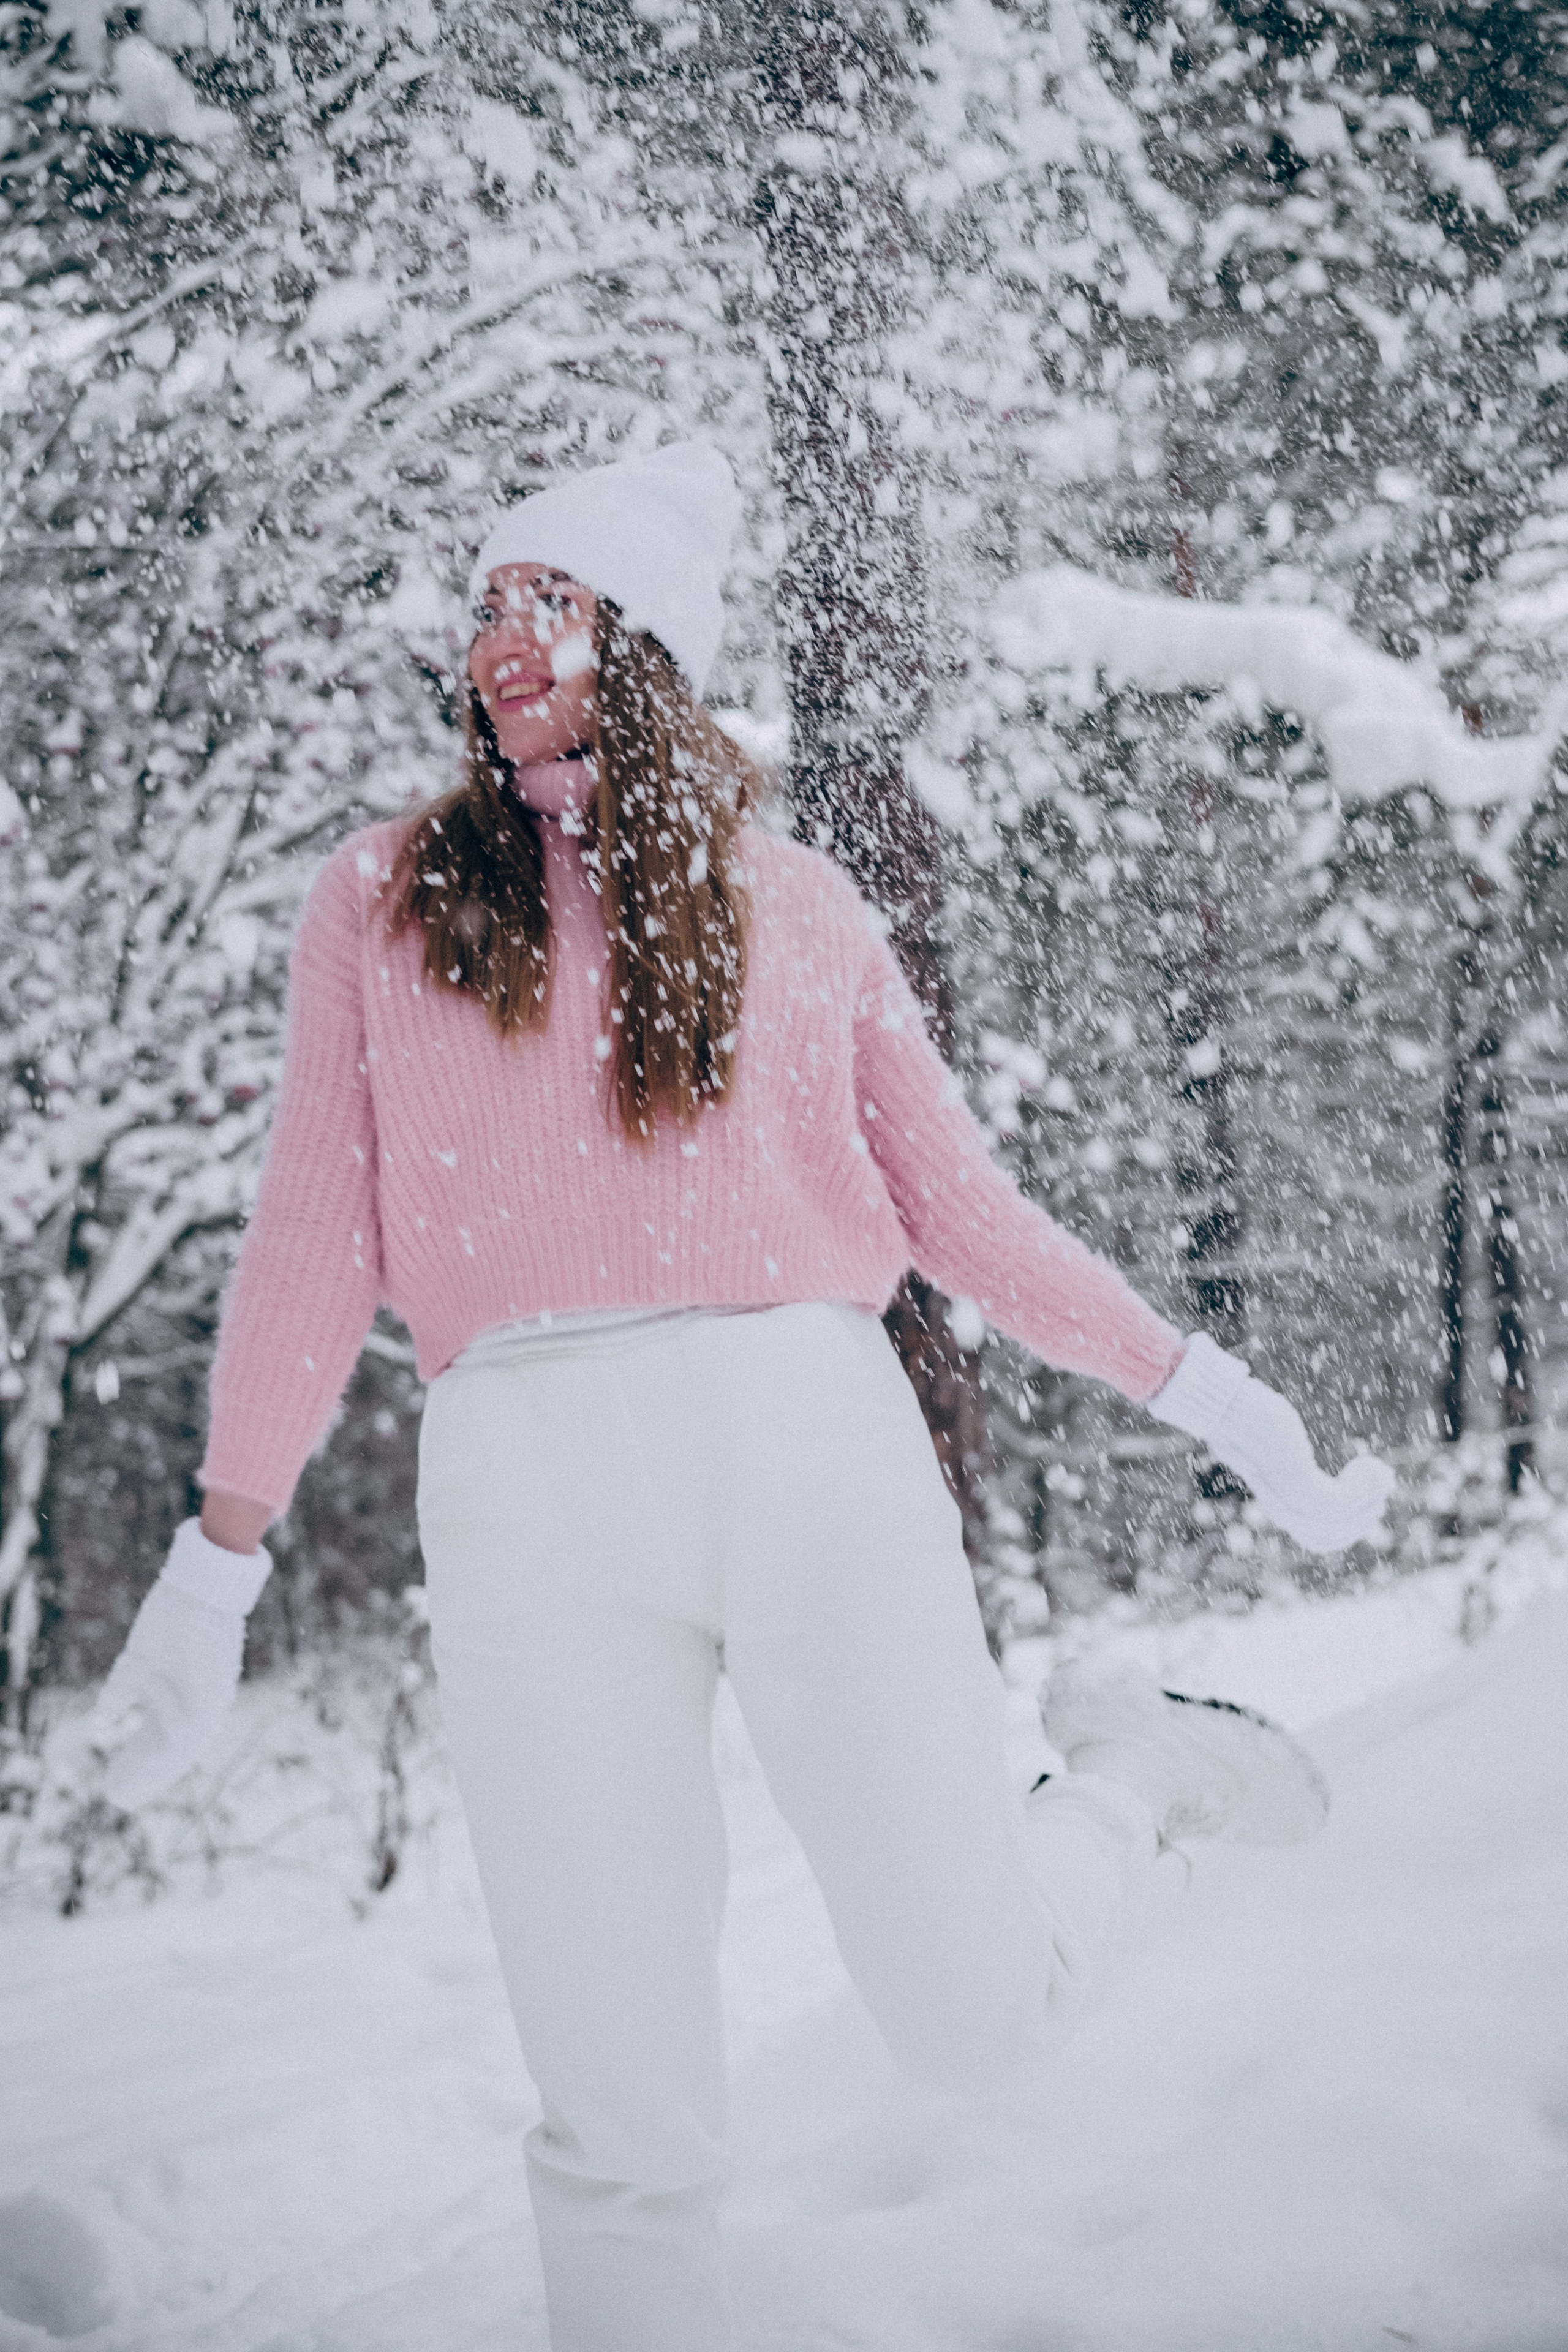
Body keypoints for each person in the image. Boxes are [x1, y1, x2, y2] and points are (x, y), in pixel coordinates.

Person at [96, 441, 1394, 2352]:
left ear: (641, 636)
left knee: (974, 2027)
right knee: (619, 2109)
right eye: (484, 603)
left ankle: (1122, 1780)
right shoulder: (376, 903)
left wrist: (1205, 1393)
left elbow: (968, 1218)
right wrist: (217, 1564)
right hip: (526, 1487)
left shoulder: (796, 909)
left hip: (808, 1454)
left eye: (544, 597)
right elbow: (310, 1238)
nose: (496, 637)